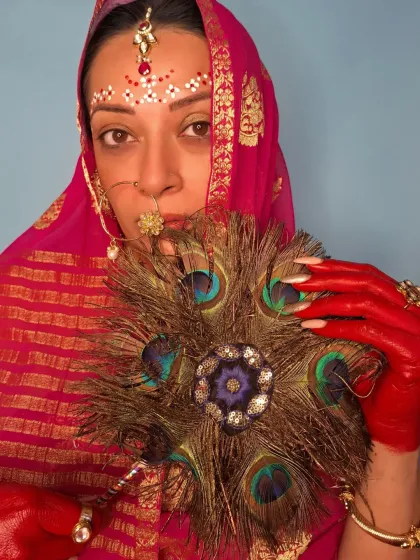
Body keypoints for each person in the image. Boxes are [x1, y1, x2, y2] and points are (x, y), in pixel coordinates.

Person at [0, 0, 419, 559]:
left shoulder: (331, 348)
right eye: (118, 135)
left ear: (252, 133)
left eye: (198, 127)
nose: (154, 179)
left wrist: (396, 445)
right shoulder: (16, 326)